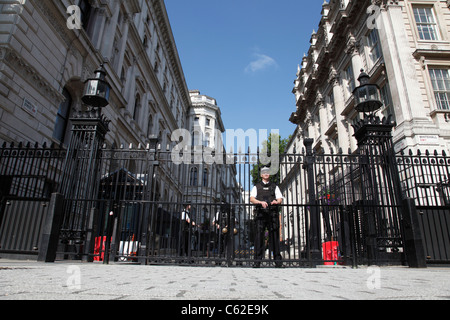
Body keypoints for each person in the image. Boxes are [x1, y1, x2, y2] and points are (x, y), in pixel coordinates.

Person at [250, 167, 284, 268]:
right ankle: (257, 261)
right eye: (264, 172)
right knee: (259, 237)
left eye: (267, 172)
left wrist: (276, 202)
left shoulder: (275, 186)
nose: (266, 174)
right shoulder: (256, 187)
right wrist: (260, 202)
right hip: (260, 214)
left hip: (272, 214)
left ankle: (278, 260)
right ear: (261, 175)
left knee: (275, 237)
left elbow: (280, 199)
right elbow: (251, 199)